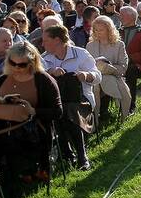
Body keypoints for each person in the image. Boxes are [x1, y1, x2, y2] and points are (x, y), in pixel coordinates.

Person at [0, 41, 62, 185]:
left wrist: (33, 111)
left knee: (12, 143)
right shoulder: (3, 80)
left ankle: (15, 179)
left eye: (21, 65)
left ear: (31, 62)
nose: (16, 67)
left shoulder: (43, 80)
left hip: (33, 130)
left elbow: (57, 112)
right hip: (2, 127)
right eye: (12, 63)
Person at [41, 25, 99, 170]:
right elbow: (37, 76)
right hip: (58, 101)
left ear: (57, 40)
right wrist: (50, 71)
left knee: (67, 110)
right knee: (59, 110)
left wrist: (85, 75)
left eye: (46, 40)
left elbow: (98, 76)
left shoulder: (80, 54)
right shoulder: (44, 59)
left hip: (82, 99)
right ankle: (71, 154)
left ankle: (78, 156)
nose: (42, 44)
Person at [87, 16, 132, 121]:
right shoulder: (90, 45)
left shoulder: (119, 45)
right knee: (96, 86)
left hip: (114, 75)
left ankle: (118, 115)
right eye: (96, 30)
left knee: (109, 81)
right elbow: (87, 66)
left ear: (109, 29)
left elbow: (123, 67)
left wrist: (108, 67)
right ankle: (95, 119)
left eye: (101, 30)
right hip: (95, 77)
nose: (98, 33)